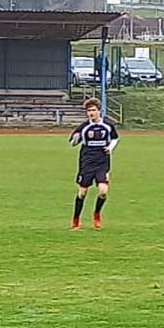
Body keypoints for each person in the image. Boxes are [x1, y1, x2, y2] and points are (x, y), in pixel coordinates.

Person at [68, 97, 119, 231]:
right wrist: (75, 139)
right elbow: (73, 143)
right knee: (82, 193)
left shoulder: (108, 125)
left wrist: (110, 148)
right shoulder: (84, 127)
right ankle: (76, 219)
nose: (91, 113)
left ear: (99, 111)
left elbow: (115, 138)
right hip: (87, 162)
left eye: (93, 110)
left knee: (103, 191)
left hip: (102, 161)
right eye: (89, 111)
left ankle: (97, 214)